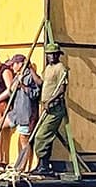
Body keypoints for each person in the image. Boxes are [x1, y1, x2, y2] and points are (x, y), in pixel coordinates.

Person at [30, 43, 69, 177]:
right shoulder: (48, 68)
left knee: (41, 135)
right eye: (49, 54)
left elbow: (62, 89)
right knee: (44, 136)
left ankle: (44, 166)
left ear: (58, 55)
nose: (51, 56)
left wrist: (50, 101)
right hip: (46, 108)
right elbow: (41, 83)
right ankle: (42, 164)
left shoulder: (60, 68)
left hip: (55, 108)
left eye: (54, 54)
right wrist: (31, 70)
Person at [5, 55, 42, 171]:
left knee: (24, 140)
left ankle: (23, 167)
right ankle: (12, 162)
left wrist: (23, 86)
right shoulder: (18, 76)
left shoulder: (30, 76)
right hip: (17, 112)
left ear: (20, 64)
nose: (12, 67)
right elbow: (11, 91)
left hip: (27, 113)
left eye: (14, 64)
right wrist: (14, 85)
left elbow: (36, 93)